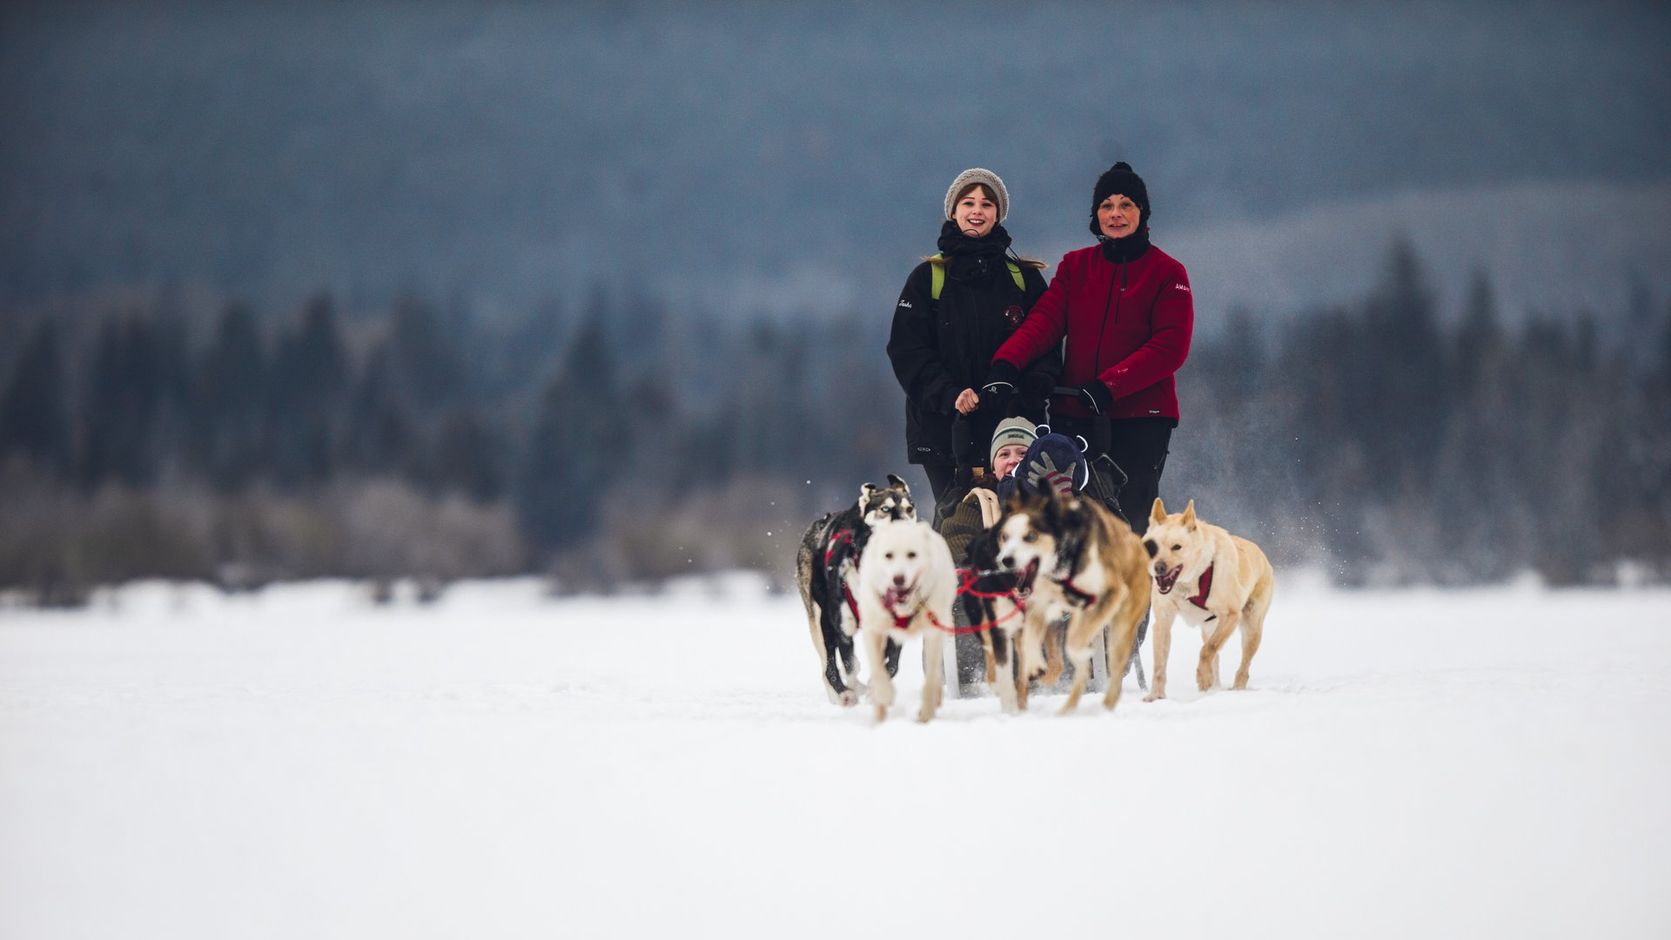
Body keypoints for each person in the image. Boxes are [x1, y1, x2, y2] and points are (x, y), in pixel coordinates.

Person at [982, 161, 1192, 539]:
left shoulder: (1168, 273)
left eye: (1126, 204)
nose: (1116, 214)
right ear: (1095, 215)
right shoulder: (1076, 266)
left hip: (1140, 418)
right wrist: (1005, 365)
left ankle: (1129, 596)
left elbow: (1170, 347)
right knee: (1067, 523)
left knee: (1127, 522)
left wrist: (1109, 386)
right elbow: (1044, 322)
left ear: (1142, 212)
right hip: (1074, 415)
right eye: (1106, 205)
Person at [887, 168, 1060, 514]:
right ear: (953, 211)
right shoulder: (927, 278)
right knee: (959, 522)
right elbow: (907, 350)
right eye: (968, 202)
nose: (977, 211)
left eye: (986, 203)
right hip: (944, 430)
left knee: (1016, 527)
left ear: (998, 214)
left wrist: (1023, 393)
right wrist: (951, 395)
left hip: (1014, 430)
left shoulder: (1024, 279)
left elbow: (1048, 344)